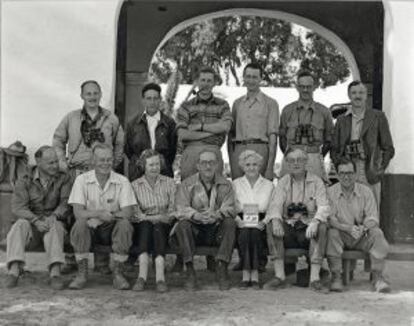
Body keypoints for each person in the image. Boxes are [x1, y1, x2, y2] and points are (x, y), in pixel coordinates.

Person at [53, 80, 124, 274]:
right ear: (82, 96)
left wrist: (113, 164)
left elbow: (119, 143)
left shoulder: (111, 119)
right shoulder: (72, 118)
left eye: (95, 93)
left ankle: (101, 261)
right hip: (77, 172)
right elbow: (58, 139)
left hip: (102, 172)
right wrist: (61, 159)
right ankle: (72, 258)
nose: (92, 97)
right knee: (71, 214)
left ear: (101, 95)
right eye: (88, 93)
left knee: (102, 211)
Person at [67, 144, 136, 290]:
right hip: (90, 229)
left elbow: (127, 212)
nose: (106, 163)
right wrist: (98, 214)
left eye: (109, 160)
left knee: (125, 225)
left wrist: (109, 216)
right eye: (102, 160)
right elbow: (78, 213)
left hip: (112, 227)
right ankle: (82, 273)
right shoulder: (81, 180)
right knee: (79, 224)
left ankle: (118, 274)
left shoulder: (122, 181)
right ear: (93, 160)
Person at [5, 146, 72, 290]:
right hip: (31, 224)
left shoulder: (64, 178)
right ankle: (14, 272)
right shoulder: (24, 179)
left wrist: (54, 215)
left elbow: (65, 203)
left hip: (52, 221)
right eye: (50, 163)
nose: (55, 166)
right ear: (39, 162)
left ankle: (55, 274)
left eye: (56, 162)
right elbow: (18, 208)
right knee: (19, 225)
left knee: (55, 226)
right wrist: (35, 221)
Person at [265, 148, 330, 292]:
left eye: (300, 160)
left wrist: (316, 221)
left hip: (308, 229)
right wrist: (276, 219)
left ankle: (314, 279)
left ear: (306, 162)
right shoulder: (283, 181)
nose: (296, 164)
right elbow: (275, 204)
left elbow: (324, 206)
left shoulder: (316, 181)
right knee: (271, 224)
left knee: (322, 226)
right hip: (289, 228)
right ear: (287, 163)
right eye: (291, 160)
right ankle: (279, 276)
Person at [173, 150, 237, 290]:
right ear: (197, 165)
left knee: (230, 223)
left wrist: (216, 214)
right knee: (182, 225)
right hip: (196, 231)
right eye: (204, 163)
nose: (208, 166)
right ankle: (190, 270)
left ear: (217, 165)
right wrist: (195, 215)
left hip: (215, 230)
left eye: (211, 163)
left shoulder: (226, 184)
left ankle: (222, 268)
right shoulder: (187, 184)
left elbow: (231, 207)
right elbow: (180, 207)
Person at [327, 159, 391, 293]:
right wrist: (348, 228)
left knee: (377, 233)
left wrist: (363, 228)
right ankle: (336, 277)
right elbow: (330, 220)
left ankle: (378, 278)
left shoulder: (366, 191)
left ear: (356, 174)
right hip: (342, 234)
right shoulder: (330, 192)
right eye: (342, 173)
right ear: (337, 175)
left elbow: (373, 217)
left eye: (350, 173)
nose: (346, 176)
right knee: (332, 233)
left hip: (362, 235)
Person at [331, 81, 394, 205]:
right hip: (348, 170)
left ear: (366, 95)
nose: (357, 96)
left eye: (361, 92)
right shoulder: (341, 120)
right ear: (349, 95)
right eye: (354, 93)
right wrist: (341, 166)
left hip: (369, 169)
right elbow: (334, 148)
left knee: (372, 209)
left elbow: (388, 148)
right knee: (348, 209)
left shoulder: (378, 117)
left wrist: (379, 169)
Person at [130, 149, 176, 293]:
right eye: (151, 165)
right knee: (145, 226)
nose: (155, 167)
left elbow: (172, 212)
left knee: (158, 227)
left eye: (157, 164)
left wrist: (152, 218)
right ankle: (142, 277)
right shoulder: (135, 185)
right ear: (143, 166)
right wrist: (152, 218)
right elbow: (136, 215)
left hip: (164, 225)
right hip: (142, 225)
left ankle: (160, 278)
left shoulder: (169, 183)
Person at [176, 66, 232, 180]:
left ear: (214, 83)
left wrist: (199, 127)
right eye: (203, 80)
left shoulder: (222, 105)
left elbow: (226, 126)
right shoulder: (186, 106)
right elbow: (182, 134)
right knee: (188, 192)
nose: (206, 84)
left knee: (213, 193)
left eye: (209, 81)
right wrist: (213, 132)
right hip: (190, 152)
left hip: (213, 151)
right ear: (197, 82)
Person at [279, 70, 334, 182]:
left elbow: (329, 139)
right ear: (297, 87)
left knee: (315, 193)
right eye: (302, 86)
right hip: (291, 157)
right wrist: (289, 154)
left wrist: (318, 156)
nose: (305, 90)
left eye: (308, 87)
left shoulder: (324, 111)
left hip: (313, 156)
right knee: (288, 192)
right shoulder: (287, 110)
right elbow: (282, 137)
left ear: (314, 87)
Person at [228, 62, 279, 181]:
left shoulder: (270, 103)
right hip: (239, 150)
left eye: (255, 77)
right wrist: (232, 162)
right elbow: (230, 135)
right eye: (248, 76)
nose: (251, 80)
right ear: (244, 78)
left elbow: (273, 137)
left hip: (260, 150)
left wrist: (270, 167)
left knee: (261, 192)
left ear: (261, 79)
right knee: (239, 192)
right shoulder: (237, 104)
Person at [232, 150, 275, 289]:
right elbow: (230, 206)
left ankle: (255, 274)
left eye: (255, 164)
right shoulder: (235, 184)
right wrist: (238, 221)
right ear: (242, 167)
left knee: (255, 234)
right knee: (245, 234)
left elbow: (273, 207)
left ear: (260, 166)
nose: (251, 168)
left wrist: (264, 221)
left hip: (261, 220)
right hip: (241, 219)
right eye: (248, 164)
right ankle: (246, 274)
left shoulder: (269, 185)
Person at [124, 82, 177, 181]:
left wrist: (161, 163)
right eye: (148, 98)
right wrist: (141, 163)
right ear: (143, 100)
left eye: (155, 98)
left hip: (163, 173)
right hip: (138, 174)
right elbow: (128, 150)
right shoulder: (133, 124)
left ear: (160, 100)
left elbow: (172, 150)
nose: (152, 102)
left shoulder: (169, 123)